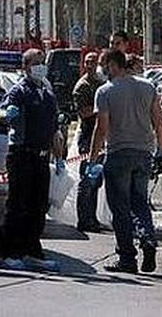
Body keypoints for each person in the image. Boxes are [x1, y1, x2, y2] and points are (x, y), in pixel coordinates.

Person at [88, 48, 162, 274]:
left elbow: (101, 129)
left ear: (113, 65)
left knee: (120, 208)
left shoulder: (105, 92)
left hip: (118, 155)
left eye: (104, 64)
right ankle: (148, 239)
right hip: (144, 154)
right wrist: (161, 151)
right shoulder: (148, 87)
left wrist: (93, 160)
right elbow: (160, 123)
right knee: (140, 202)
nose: (103, 69)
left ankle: (127, 258)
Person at [0, 48, 64, 272]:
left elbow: (54, 128)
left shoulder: (47, 92)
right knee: (18, 204)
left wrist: (59, 154)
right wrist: (7, 115)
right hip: (22, 154)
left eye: (42, 62)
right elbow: (2, 113)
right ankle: (10, 252)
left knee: (38, 205)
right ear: (25, 66)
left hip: (42, 157)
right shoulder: (19, 91)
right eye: (36, 62)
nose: (40, 66)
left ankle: (32, 250)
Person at [73, 52, 105, 232]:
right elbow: (84, 113)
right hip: (88, 137)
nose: (91, 65)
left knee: (96, 180)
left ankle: (91, 218)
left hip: (101, 136)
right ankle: (84, 219)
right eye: (88, 62)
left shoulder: (100, 83)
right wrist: (102, 110)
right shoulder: (82, 87)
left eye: (94, 62)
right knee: (87, 179)